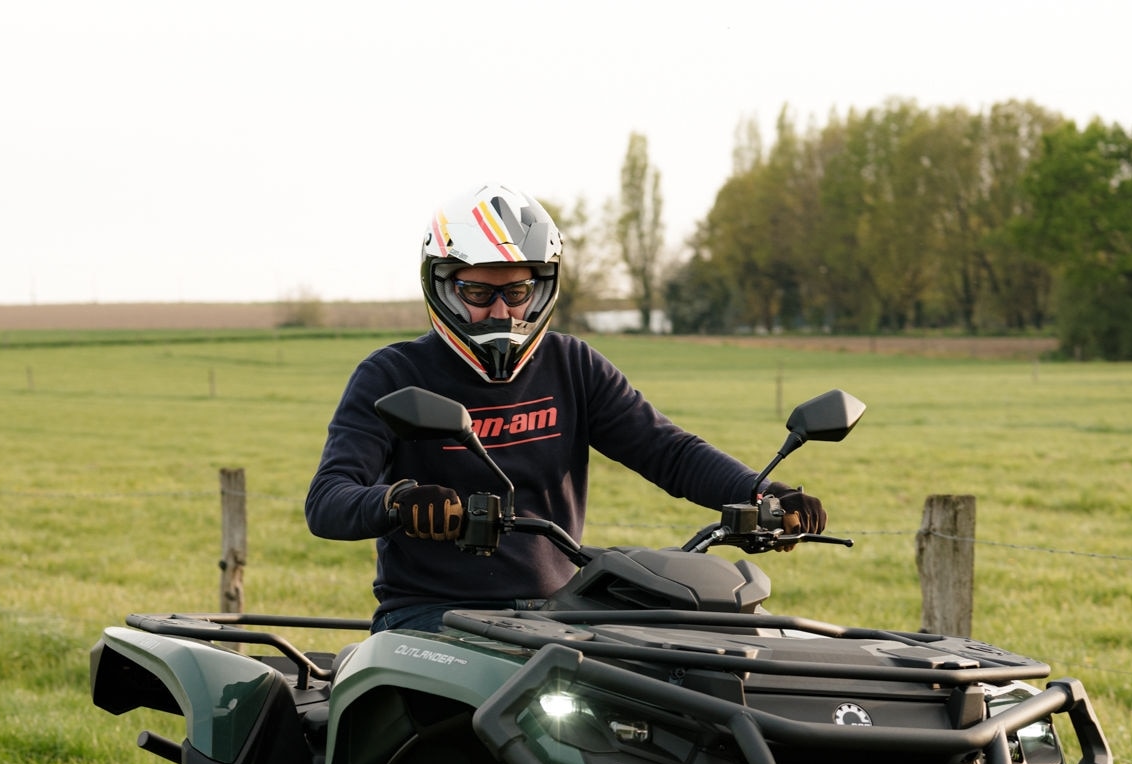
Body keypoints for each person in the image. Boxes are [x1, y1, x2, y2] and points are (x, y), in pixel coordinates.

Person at [304, 183, 827, 633]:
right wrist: (399, 502)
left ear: (543, 286)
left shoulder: (571, 365)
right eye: (477, 292)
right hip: (432, 616)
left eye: (518, 290)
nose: (501, 310)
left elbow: (667, 450)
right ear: (442, 284)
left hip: (561, 612)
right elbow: (328, 499)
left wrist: (763, 493)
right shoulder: (393, 374)